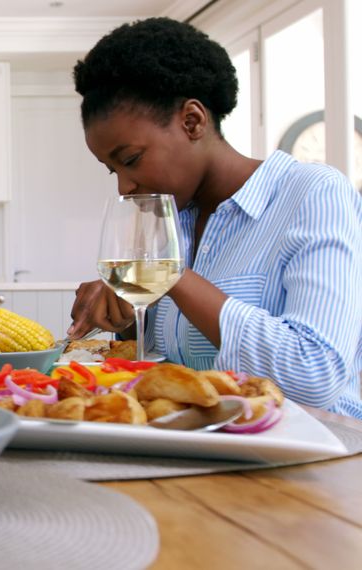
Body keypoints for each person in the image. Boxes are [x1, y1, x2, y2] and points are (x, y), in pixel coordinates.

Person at [67, 17, 362, 418]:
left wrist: (173, 276)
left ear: (193, 121)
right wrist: (125, 316)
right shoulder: (170, 217)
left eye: (131, 160)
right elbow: (177, 361)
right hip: (202, 449)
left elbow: (314, 376)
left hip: (317, 456)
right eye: (111, 169)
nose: (124, 187)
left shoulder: (314, 192)